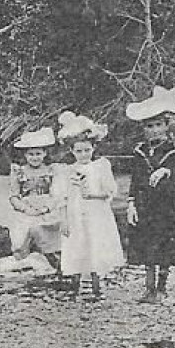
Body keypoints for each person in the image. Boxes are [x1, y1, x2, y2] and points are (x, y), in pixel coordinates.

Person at [124, 85, 175, 304]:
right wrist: (131, 203)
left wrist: (166, 170)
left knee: (165, 245)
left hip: (167, 204)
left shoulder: (173, 149)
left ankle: (162, 288)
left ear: (166, 126)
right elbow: (135, 180)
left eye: (157, 126)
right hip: (145, 204)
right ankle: (148, 289)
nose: (153, 130)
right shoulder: (139, 151)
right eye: (149, 126)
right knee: (147, 245)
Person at [55, 112, 124, 302]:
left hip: (97, 213)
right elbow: (61, 197)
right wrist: (64, 220)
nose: (84, 154)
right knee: (76, 245)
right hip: (75, 213)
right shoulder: (65, 171)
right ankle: (75, 286)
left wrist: (92, 195)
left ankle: (96, 286)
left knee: (94, 246)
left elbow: (110, 192)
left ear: (93, 148)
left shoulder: (101, 166)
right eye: (79, 151)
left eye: (87, 150)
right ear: (71, 151)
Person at [7, 126, 62, 261]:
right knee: (21, 234)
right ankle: (24, 259)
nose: (35, 157)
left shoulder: (51, 170)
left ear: (44, 154)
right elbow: (13, 196)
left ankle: (54, 259)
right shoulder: (19, 171)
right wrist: (25, 209)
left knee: (53, 230)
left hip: (47, 208)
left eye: (38, 154)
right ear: (25, 155)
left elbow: (57, 193)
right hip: (27, 209)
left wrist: (46, 208)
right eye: (31, 154)